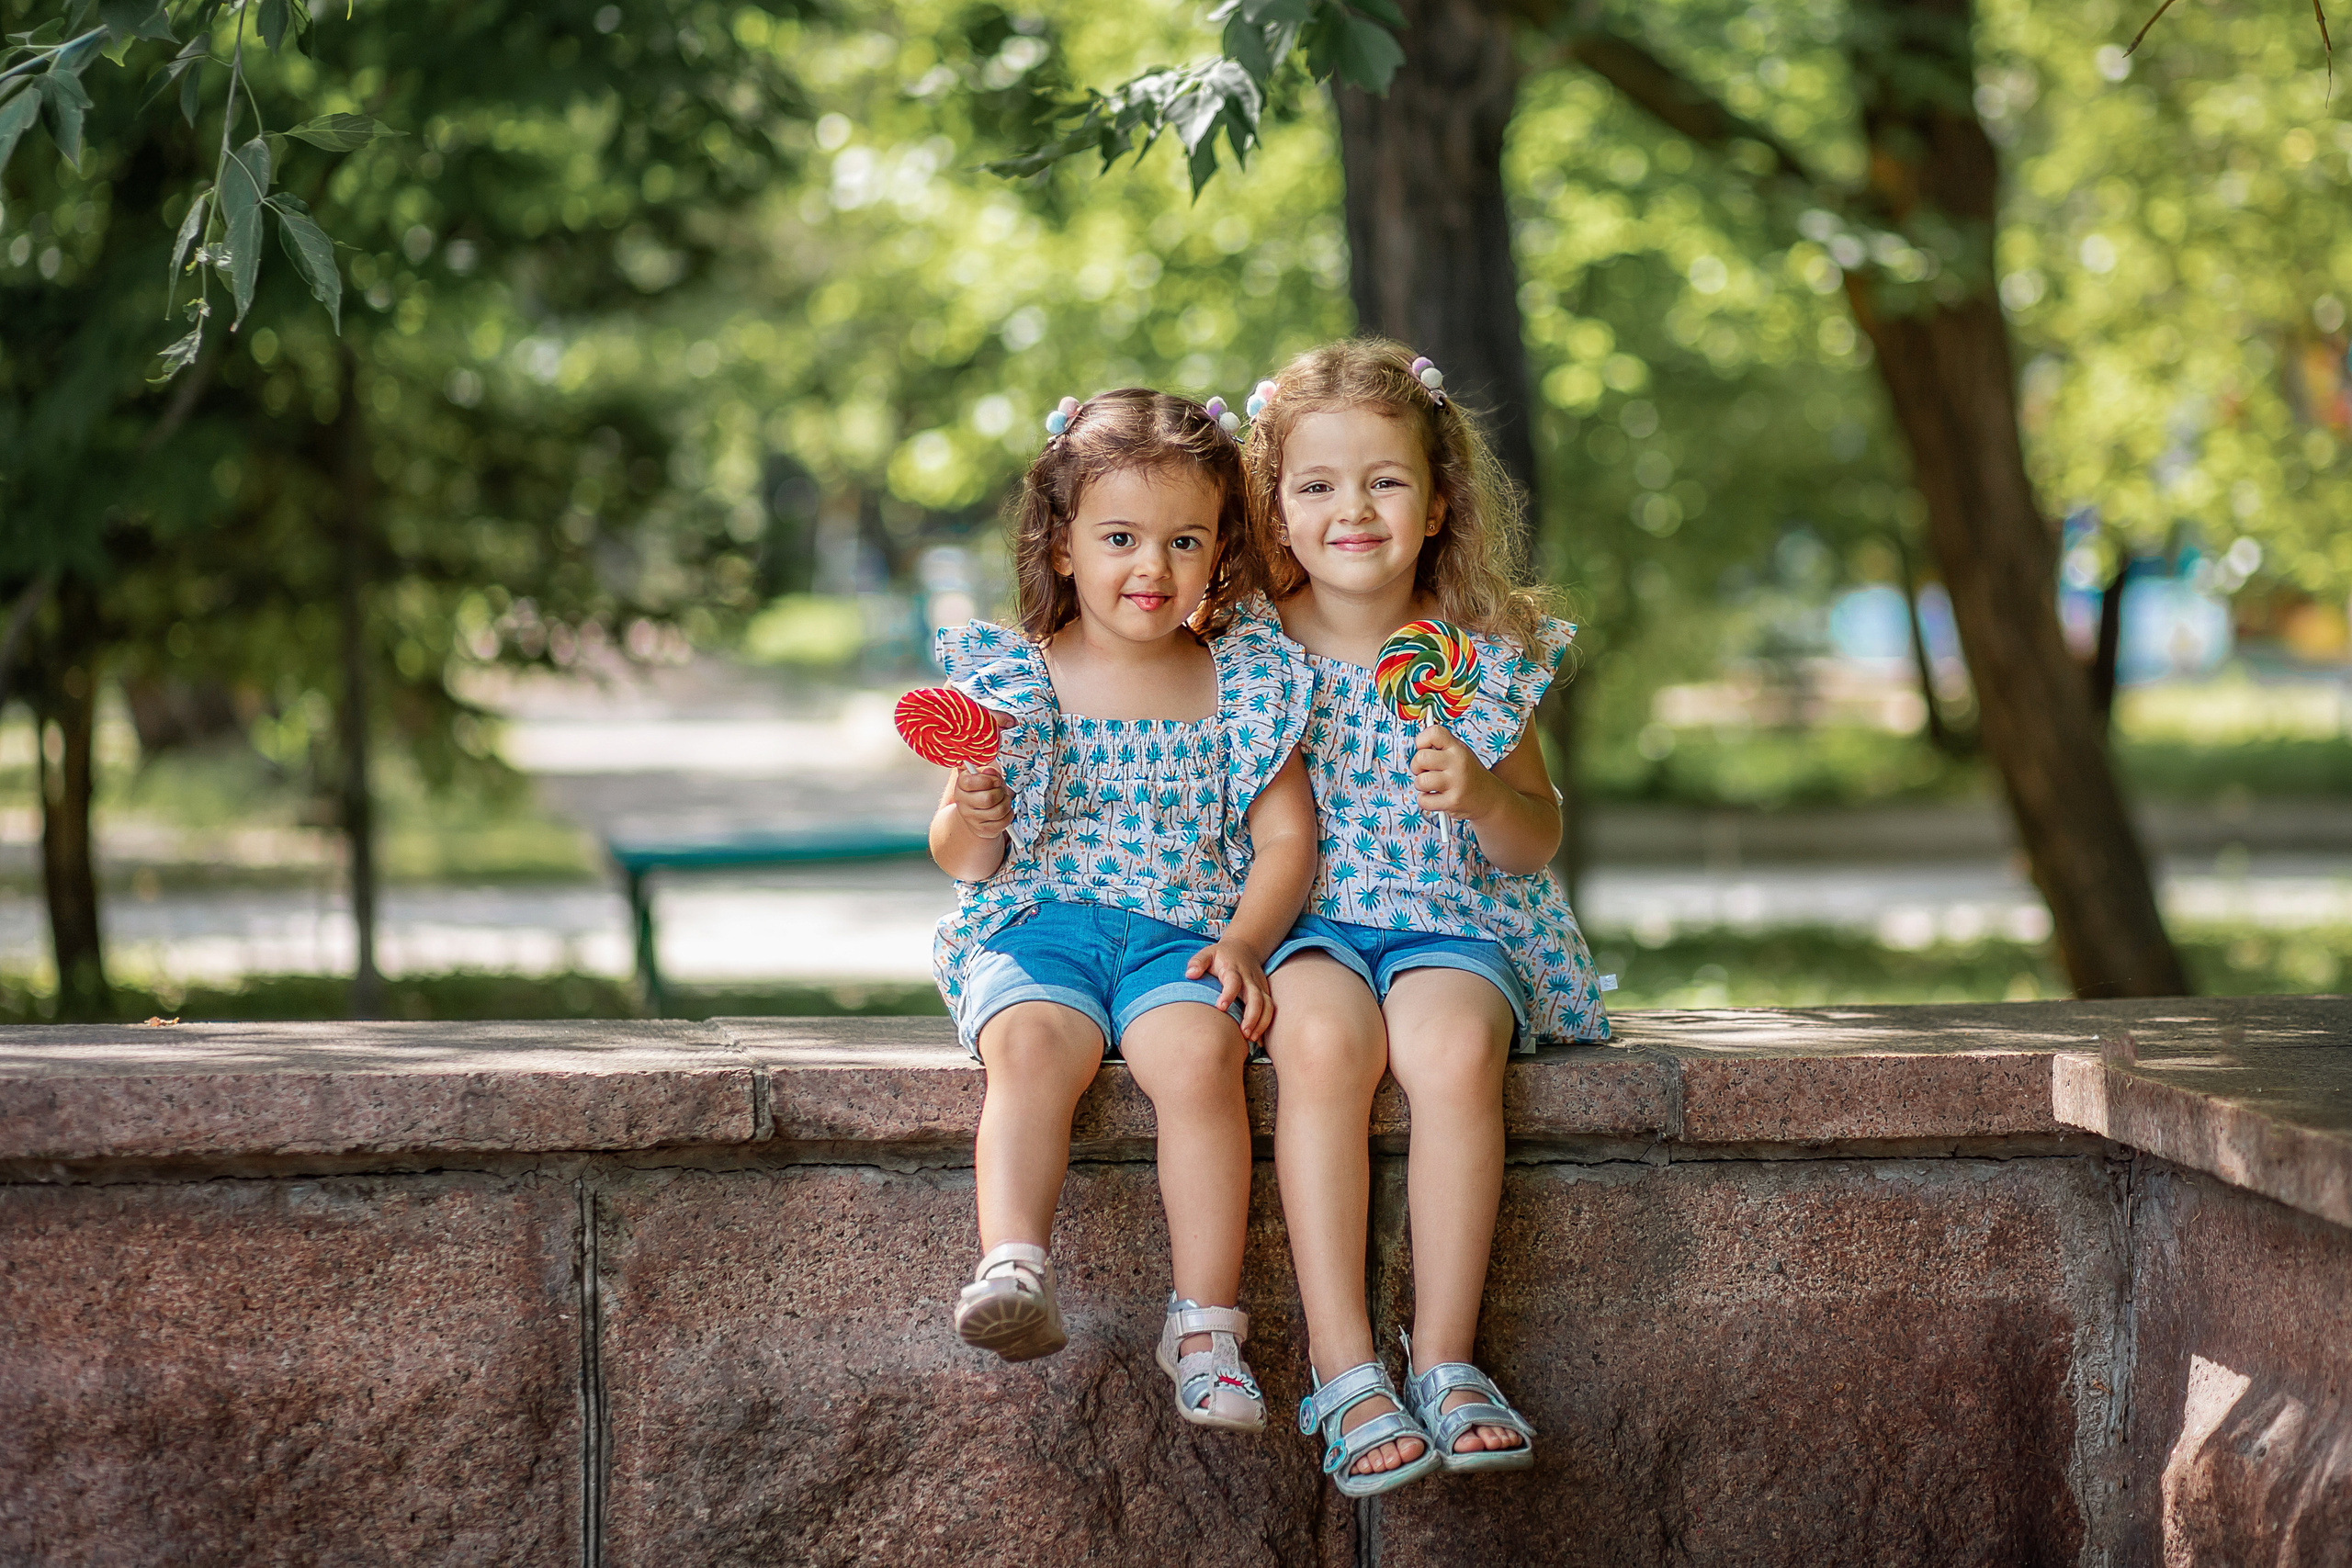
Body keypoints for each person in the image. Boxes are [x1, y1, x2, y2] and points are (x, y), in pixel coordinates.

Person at [1237, 339, 1611, 1493]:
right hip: (1300, 925)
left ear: (1439, 501)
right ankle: (1345, 1369)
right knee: (1320, 1043)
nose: (1353, 508)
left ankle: (1445, 1360)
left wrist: (1485, 791)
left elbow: (1536, 837)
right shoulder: (1246, 653)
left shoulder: (1475, 659)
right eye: (1317, 485)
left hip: (1449, 914)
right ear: (1277, 511)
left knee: (1452, 1048)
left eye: (1385, 480)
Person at [928, 387, 1318, 1433]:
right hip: (1042, 924)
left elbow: (1287, 841)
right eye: (1118, 537)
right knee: (1031, 1048)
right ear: (1060, 548)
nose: (1151, 567)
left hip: (1184, 936)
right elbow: (965, 859)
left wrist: (1243, 939)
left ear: (1220, 549)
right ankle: (1013, 1262)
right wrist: (974, 809)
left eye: (1183, 540)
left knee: (1200, 1063)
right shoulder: (1021, 680)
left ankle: (1203, 1327)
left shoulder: (1242, 682)